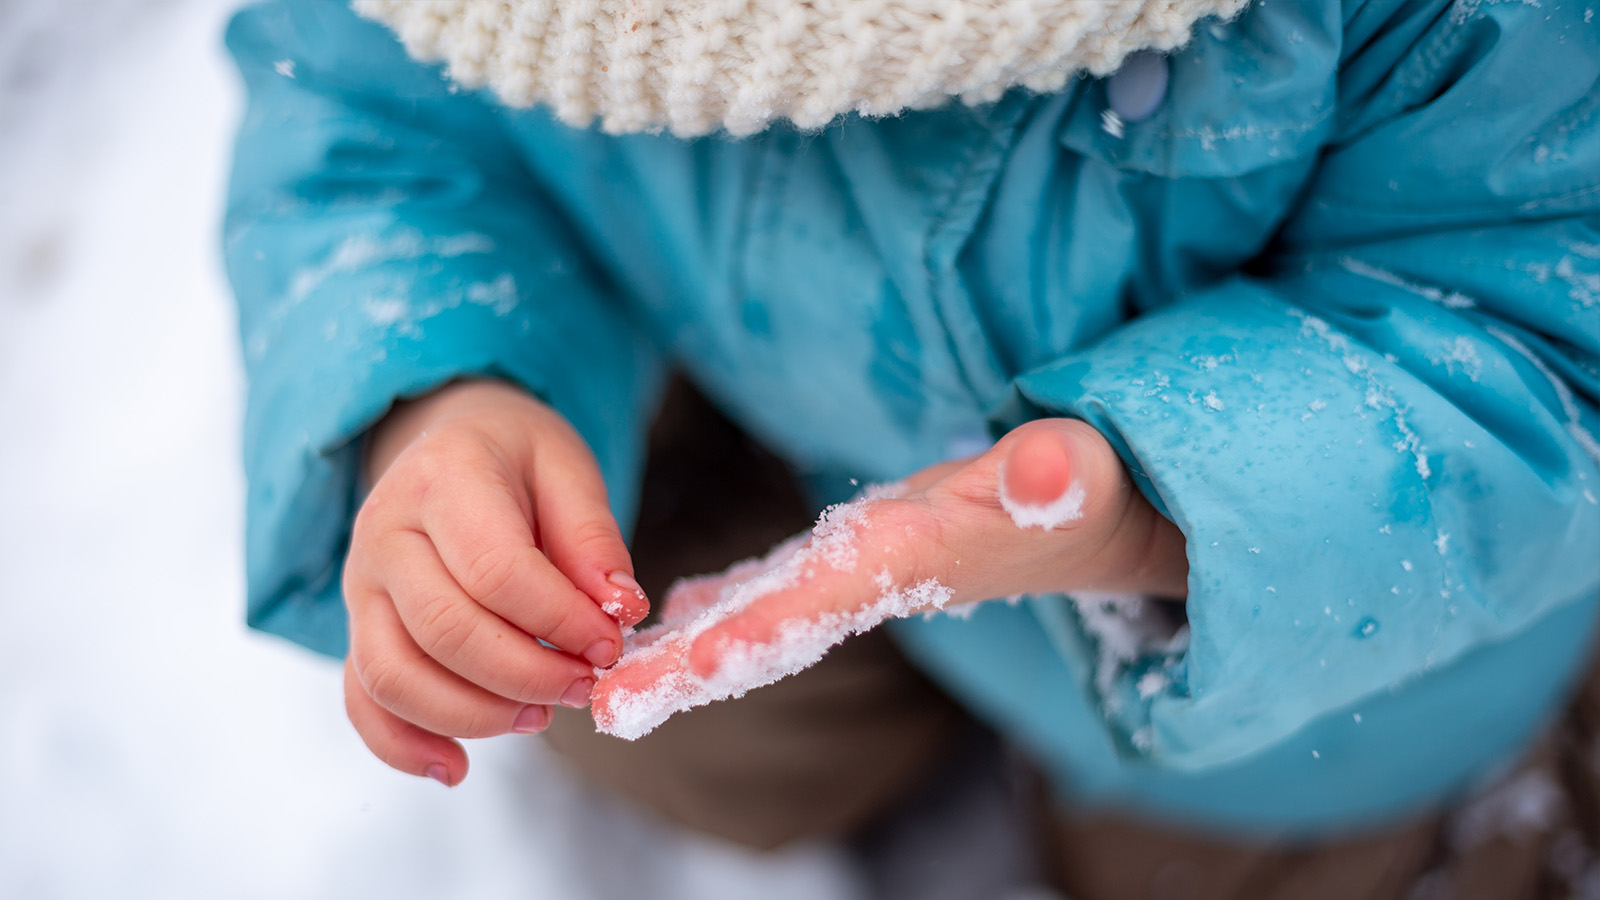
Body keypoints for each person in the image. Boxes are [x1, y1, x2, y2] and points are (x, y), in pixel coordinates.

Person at [222, 0, 1600, 896]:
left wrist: (1181, 511)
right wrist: (448, 389)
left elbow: (1541, 304)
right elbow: (376, 118)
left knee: (1245, 852)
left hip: (1335, 660)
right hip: (798, 432)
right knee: (663, 728)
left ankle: (1500, 809)